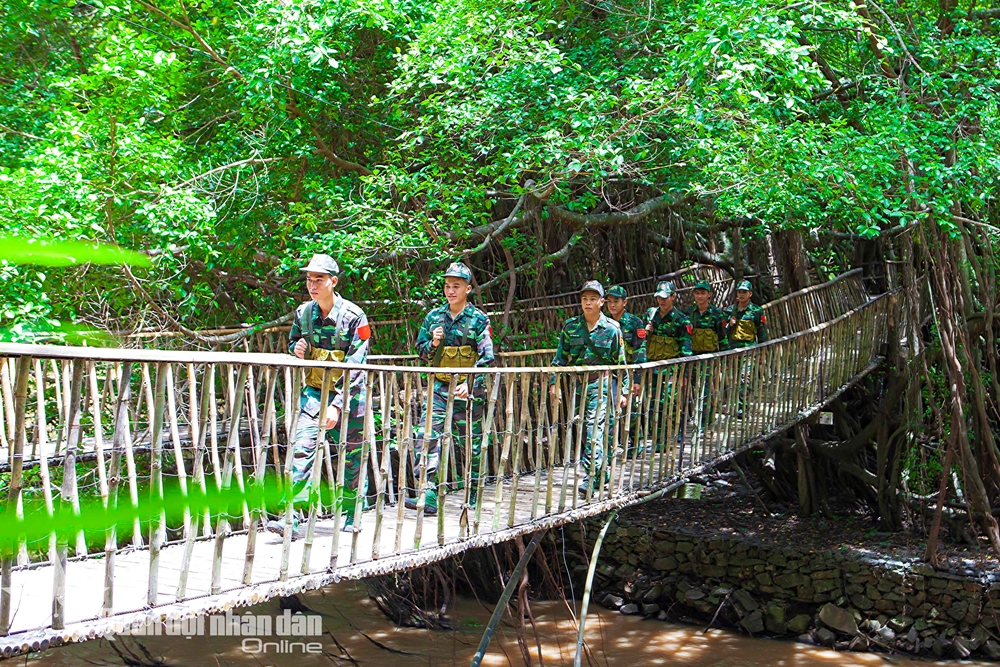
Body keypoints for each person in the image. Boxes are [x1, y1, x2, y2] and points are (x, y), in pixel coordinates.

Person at [268, 254, 371, 539]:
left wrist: (337, 405)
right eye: (309, 279)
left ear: (333, 282)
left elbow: (357, 365)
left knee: (352, 455)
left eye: (319, 279)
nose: (312, 285)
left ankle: (354, 512)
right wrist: (297, 349)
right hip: (313, 392)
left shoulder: (353, 316)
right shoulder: (303, 313)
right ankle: (292, 517)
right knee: (302, 448)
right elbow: (294, 342)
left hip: (349, 396)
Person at [405, 262, 495, 516]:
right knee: (426, 437)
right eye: (447, 286)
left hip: (469, 392)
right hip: (439, 388)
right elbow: (421, 354)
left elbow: (488, 356)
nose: (450, 290)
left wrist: (471, 382)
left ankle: (474, 492)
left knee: (473, 443)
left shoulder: (478, 319)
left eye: (456, 286)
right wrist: (433, 342)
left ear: (467, 289)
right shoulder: (433, 317)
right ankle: (427, 493)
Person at [550, 281, 629, 496]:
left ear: (601, 302)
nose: (588, 303)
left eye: (593, 299)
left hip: (601, 383)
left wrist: (623, 390)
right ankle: (601, 472)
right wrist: (554, 383)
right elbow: (559, 358)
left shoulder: (612, 329)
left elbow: (620, 363)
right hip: (577, 385)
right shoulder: (571, 327)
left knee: (595, 429)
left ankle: (591, 479)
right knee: (587, 430)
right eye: (585, 299)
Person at [687, 279, 729, 354]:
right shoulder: (689, 312)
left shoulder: (717, 313)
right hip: (693, 359)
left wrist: (725, 362)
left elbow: (723, 338)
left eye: (703, 293)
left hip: (711, 360)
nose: (700, 296)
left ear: (709, 294)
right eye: (697, 293)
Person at [725, 279, 768, 348]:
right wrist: (729, 324)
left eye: (744, 292)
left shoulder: (757, 310)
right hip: (733, 352)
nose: (741, 295)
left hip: (750, 352)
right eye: (739, 292)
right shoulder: (729, 310)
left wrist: (762, 351)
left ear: (750, 294)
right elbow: (722, 330)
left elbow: (761, 331)